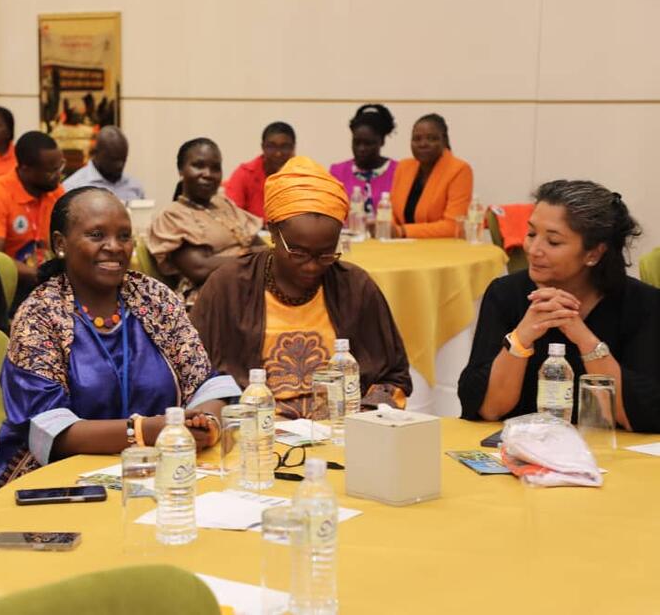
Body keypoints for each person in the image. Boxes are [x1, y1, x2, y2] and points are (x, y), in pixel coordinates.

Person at [0, 186, 237, 488]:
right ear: (60, 244)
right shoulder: (40, 315)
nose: (115, 246)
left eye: (123, 236)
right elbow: (51, 429)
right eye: (97, 235)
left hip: (159, 472)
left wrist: (206, 423)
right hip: (61, 482)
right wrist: (145, 431)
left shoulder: (154, 298)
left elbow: (205, 383)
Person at [191, 156, 412, 419]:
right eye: (298, 253)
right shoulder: (228, 286)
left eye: (326, 255)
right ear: (272, 232)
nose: (311, 266)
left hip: (341, 432)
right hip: (256, 435)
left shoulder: (356, 287)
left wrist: (365, 414)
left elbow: (394, 377)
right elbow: (194, 372)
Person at [458, 180, 660, 432]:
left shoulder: (642, 304)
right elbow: (486, 409)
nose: (533, 250)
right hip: (519, 453)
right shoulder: (506, 294)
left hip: (613, 458)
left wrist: (584, 339)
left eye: (553, 242)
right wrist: (521, 339)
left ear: (593, 254)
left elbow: (644, 416)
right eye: (531, 234)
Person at [147, 138, 264, 305]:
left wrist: (249, 255)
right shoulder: (172, 216)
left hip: (248, 286)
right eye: (199, 165)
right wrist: (250, 254)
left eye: (215, 168)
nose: (208, 174)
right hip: (208, 298)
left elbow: (262, 247)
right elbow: (200, 269)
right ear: (181, 170)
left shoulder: (225, 205)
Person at [0, 131, 65, 292]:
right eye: (51, 171)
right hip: (7, 283)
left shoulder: (55, 192)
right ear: (25, 168)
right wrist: (39, 275)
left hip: (48, 279)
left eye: (60, 167)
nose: (58, 176)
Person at [388, 113, 473, 239]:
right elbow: (390, 212)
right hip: (401, 247)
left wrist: (403, 231)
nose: (423, 144)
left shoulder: (459, 170)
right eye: (417, 139)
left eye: (431, 138)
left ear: (444, 140)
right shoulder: (404, 167)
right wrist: (390, 228)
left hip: (442, 250)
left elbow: (453, 226)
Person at [329, 104, 398, 217]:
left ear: (382, 141)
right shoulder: (337, 172)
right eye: (357, 142)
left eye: (368, 143)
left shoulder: (399, 171)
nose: (361, 148)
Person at [224, 121, 296, 220]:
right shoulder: (245, 173)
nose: (278, 153)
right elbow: (231, 215)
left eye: (284, 147)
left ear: (293, 148)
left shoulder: (302, 176)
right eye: (271, 146)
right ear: (263, 147)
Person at [62, 125, 145, 201]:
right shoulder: (73, 187)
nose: (119, 166)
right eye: (113, 160)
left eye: (123, 160)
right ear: (96, 154)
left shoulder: (135, 187)